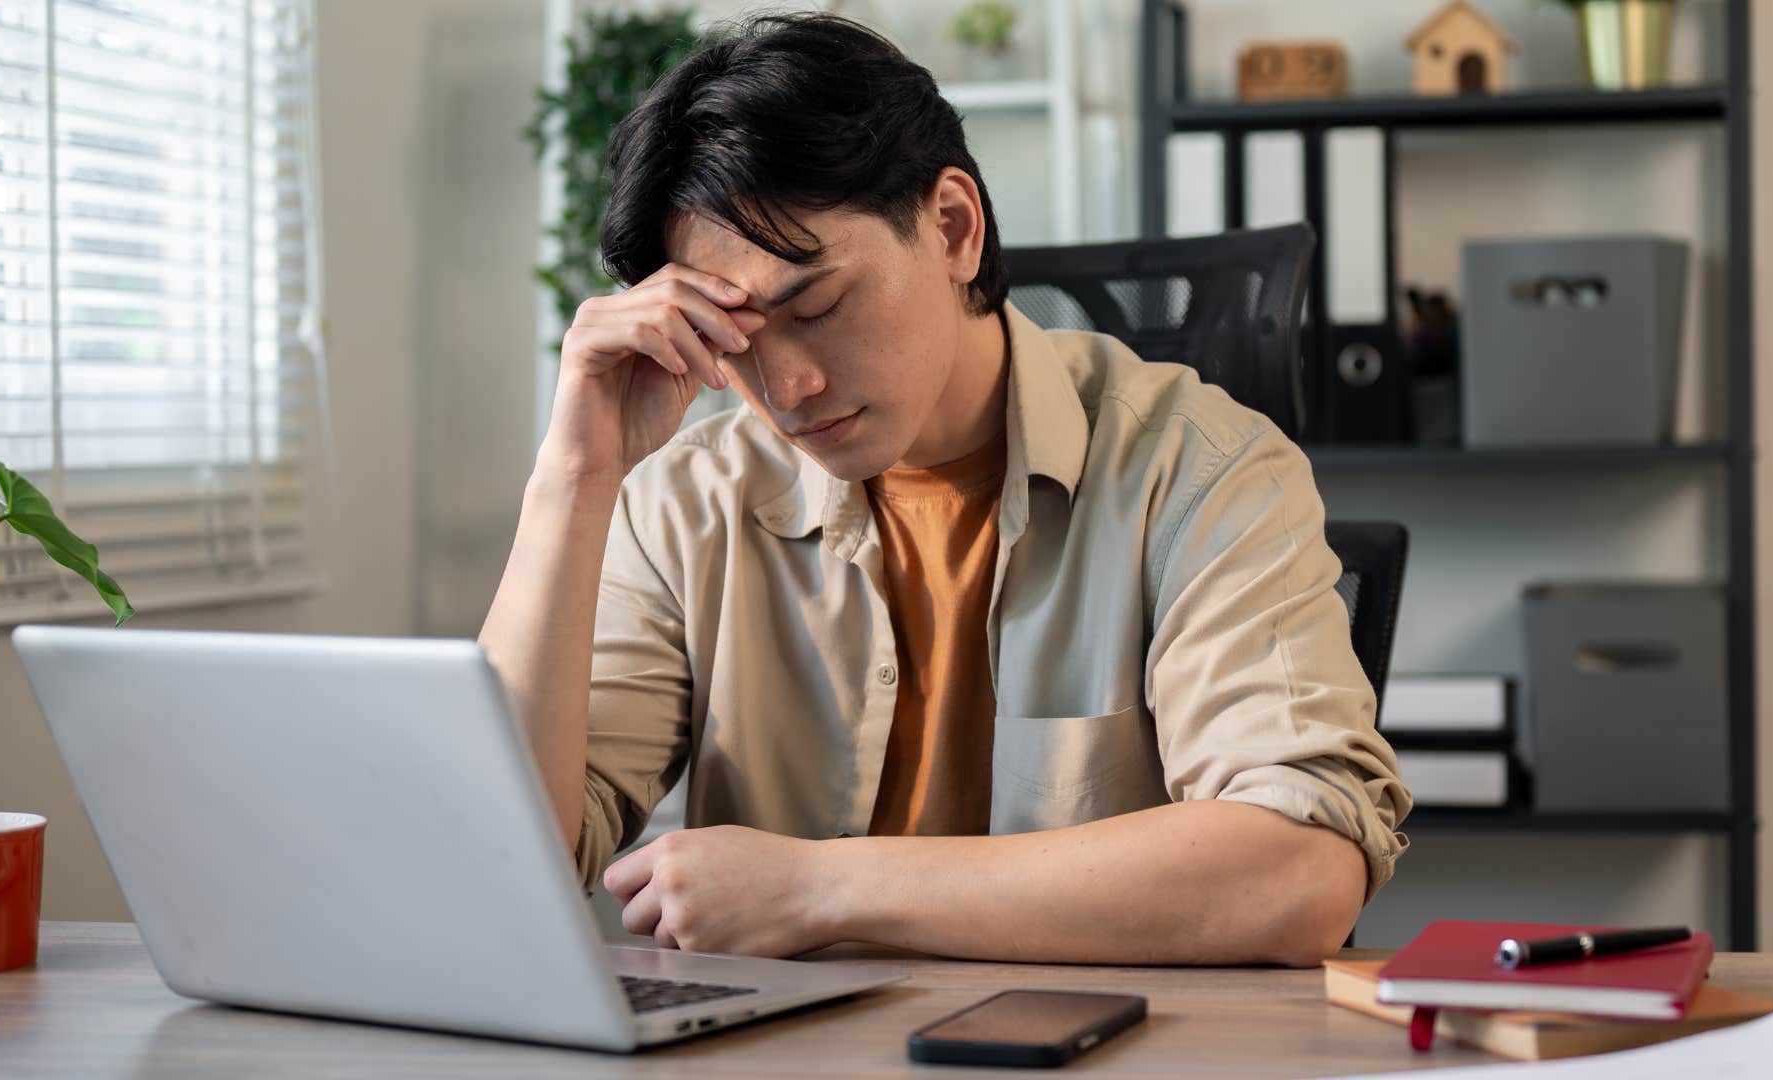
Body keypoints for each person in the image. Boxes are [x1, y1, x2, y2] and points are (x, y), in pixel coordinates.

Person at [478, 13, 1409, 967]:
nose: (785, 389)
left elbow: (1300, 871)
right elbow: (501, 865)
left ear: (954, 227)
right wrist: (574, 478)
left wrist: (821, 888)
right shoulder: (684, 505)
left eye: (818, 307)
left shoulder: (1202, 468)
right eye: (735, 342)